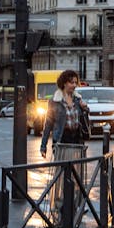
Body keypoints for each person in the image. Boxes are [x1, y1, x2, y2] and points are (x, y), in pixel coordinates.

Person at [40, 70, 90, 218]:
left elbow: (84, 120)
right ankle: (59, 210)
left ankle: (75, 208)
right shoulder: (54, 101)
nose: (74, 85)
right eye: (71, 82)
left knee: (77, 178)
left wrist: (85, 108)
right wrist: (43, 146)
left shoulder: (77, 100)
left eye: (75, 82)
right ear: (64, 83)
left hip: (77, 142)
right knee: (61, 178)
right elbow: (48, 124)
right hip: (62, 142)